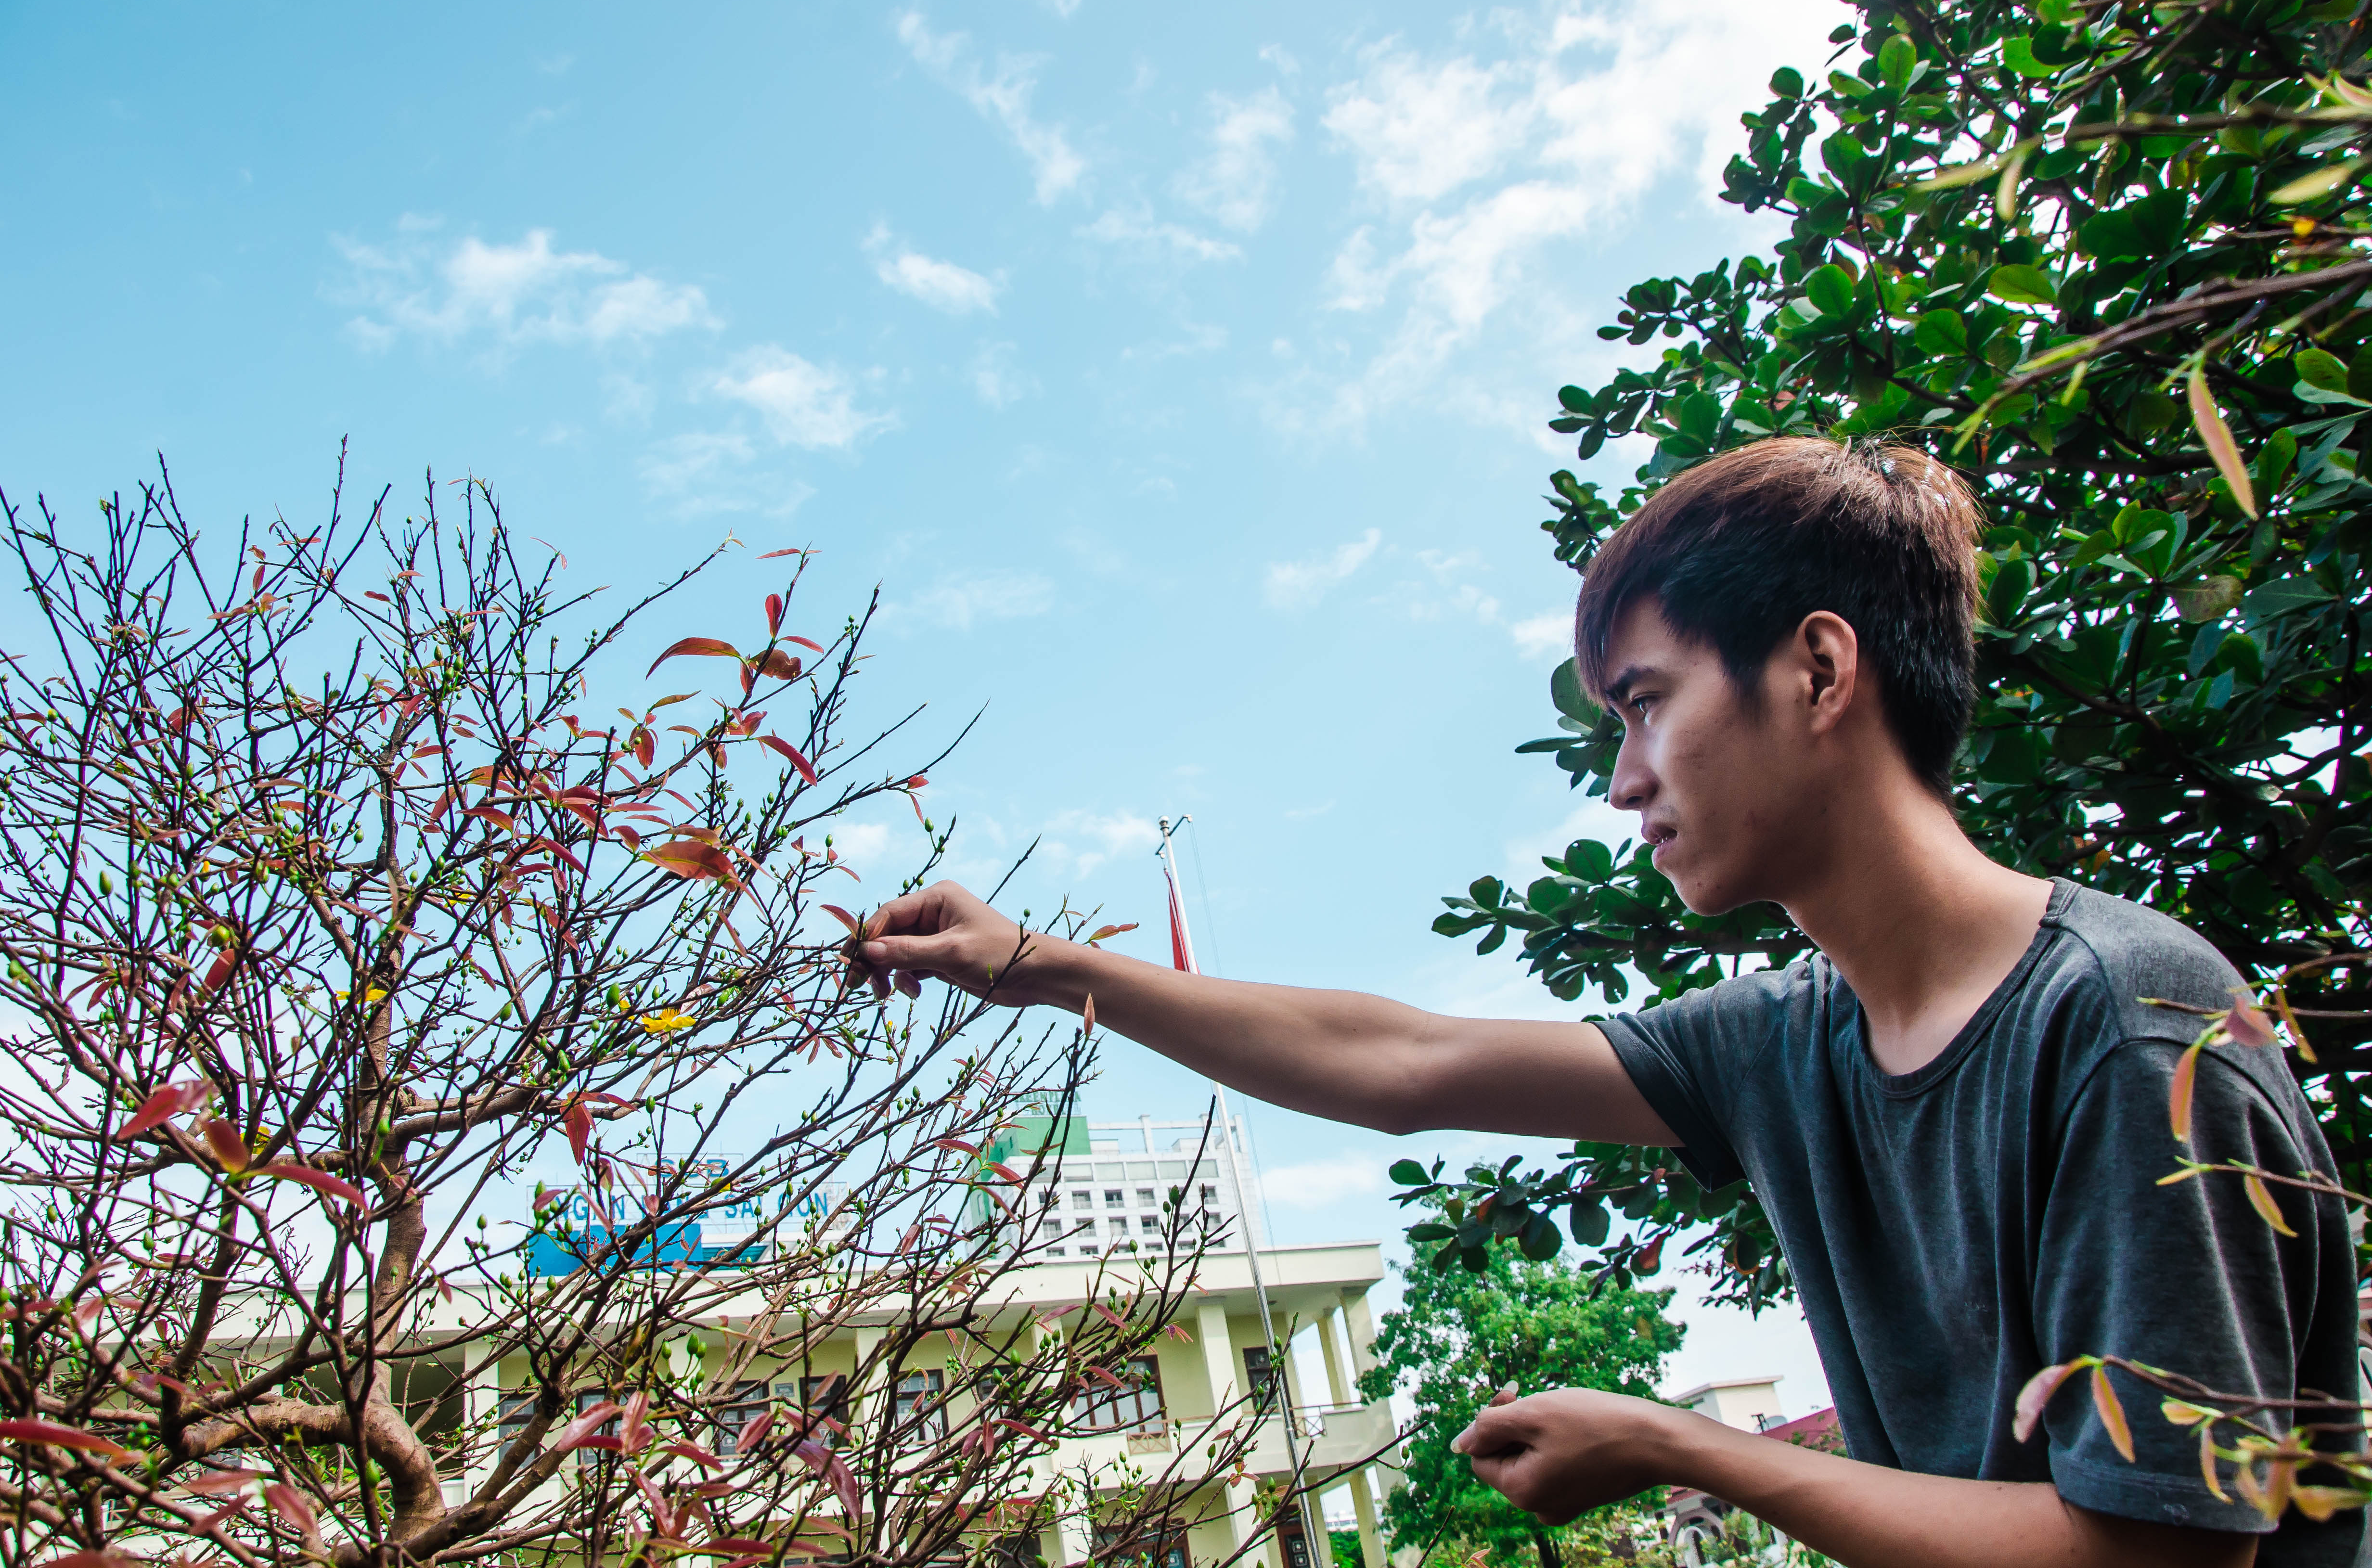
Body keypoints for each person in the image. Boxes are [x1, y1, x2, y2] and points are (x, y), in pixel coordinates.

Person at [855, 437, 2360, 1568]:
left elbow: (2158, 1553)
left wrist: (1674, 1444)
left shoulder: (2125, 1031)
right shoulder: (1791, 1036)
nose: (1628, 780)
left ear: (1819, 669)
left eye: (1646, 703)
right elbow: (1407, 1060)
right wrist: (1042, 969)